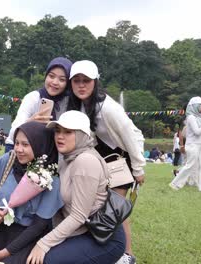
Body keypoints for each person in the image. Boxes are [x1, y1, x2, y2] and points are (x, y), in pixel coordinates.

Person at [65, 60, 145, 263]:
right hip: (100, 160)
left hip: (120, 159)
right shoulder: (78, 105)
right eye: (77, 81)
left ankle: (126, 255)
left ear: (95, 82)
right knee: (99, 206)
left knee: (114, 209)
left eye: (86, 81)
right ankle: (106, 248)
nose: (81, 85)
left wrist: (138, 168)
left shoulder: (108, 108)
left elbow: (130, 135)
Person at [27, 110, 125, 264]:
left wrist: (43, 244)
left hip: (102, 238)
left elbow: (78, 216)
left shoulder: (85, 161)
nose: (60, 136)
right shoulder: (68, 157)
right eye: (57, 131)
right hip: (83, 231)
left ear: (82, 136)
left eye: (68, 132)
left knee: (47, 260)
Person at [0, 121, 63, 263]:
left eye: (25, 144)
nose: (18, 149)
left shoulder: (51, 177)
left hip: (28, 238)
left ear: (39, 145)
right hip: (0, 229)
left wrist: (3, 254)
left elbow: (39, 225)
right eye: (16, 143)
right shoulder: (8, 161)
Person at [4, 57, 73, 152]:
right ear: (46, 76)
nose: (55, 82)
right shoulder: (33, 98)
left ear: (68, 83)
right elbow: (13, 133)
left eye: (62, 80)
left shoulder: (69, 102)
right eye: (51, 76)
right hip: (18, 148)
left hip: (48, 152)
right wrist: (30, 123)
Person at [169, 96, 201, 192]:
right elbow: (197, 132)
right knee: (189, 165)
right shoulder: (191, 117)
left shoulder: (199, 118)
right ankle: (175, 183)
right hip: (193, 144)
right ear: (195, 106)